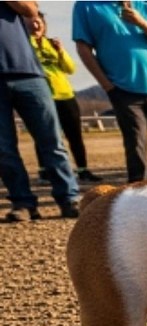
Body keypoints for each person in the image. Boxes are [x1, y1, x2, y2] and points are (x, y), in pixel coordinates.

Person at [73, 0, 147, 183]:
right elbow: (83, 48)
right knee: (136, 147)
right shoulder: (87, 6)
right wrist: (107, 85)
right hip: (124, 89)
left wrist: (142, 22)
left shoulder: (145, 7)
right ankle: (139, 198)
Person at [1, 0, 78, 222]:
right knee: (4, 149)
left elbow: (30, 9)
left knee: (52, 142)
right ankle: (23, 203)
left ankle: (69, 198)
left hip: (28, 73)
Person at [26, 11, 100, 182]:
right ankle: (45, 171)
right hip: (42, 97)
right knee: (45, 135)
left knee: (75, 135)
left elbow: (70, 68)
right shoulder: (24, 46)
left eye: (38, 22)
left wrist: (60, 51)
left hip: (65, 95)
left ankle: (82, 170)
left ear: (44, 25)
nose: (35, 25)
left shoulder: (51, 43)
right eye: (30, 22)